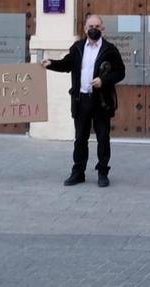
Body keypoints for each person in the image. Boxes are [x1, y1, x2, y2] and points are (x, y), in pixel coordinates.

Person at [42, 14, 125, 188]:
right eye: (90, 26)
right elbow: (66, 64)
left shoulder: (110, 49)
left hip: (102, 101)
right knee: (80, 138)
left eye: (97, 26)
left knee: (103, 138)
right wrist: (51, 63)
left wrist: (104, 81)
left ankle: (103, 172)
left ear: (102, 28)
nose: (93, 29)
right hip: (81, 100)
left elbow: (120, 72)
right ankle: (78, 172)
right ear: (85, 28)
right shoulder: (78, 47)